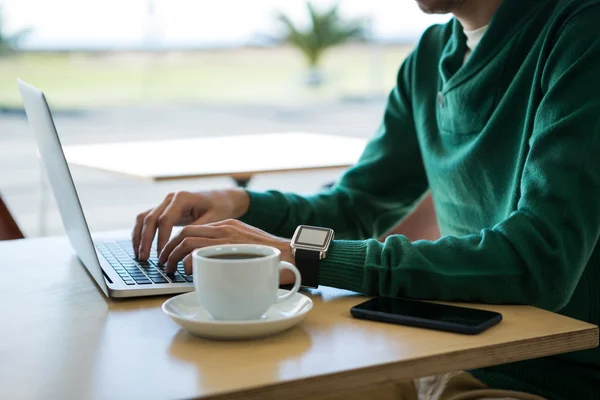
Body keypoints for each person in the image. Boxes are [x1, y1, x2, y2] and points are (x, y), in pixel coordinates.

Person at [132, 0, 600, 398]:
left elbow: (539, 259)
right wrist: (240, 205)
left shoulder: (582, 33)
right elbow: (357, 204)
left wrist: (307, 258)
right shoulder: (431, 56)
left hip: (543, 375)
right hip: (437, 348)